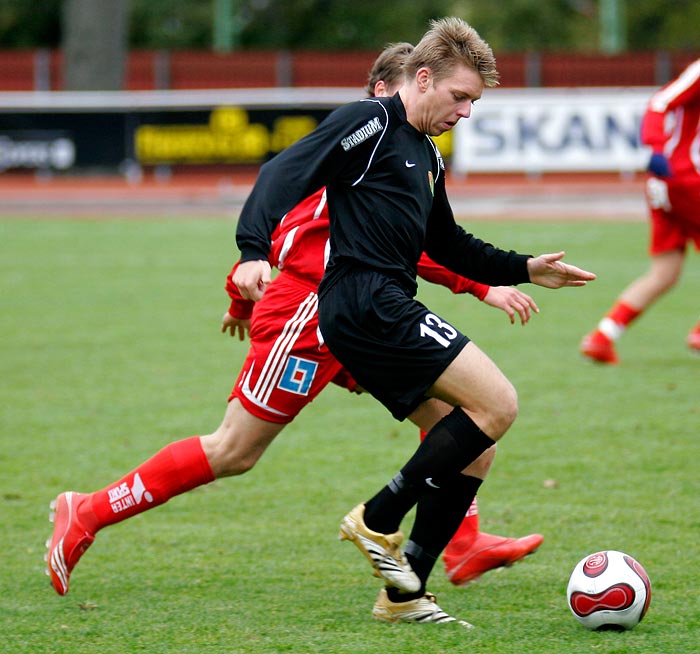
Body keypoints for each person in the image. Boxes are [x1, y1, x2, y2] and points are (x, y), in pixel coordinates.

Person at [45, 42, 541, 605]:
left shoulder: (404, 152)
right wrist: (482, 287)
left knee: (465, 424)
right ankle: (85, 509)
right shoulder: (356, 152)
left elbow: (413, 242)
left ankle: (460, 544)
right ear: (388, 90)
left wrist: (239, 300)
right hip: (307, 316)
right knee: (235, 450)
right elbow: (304, 237)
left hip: (354, 316)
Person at [233, 17, 595, 626]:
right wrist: (251, 251)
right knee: (498, 403)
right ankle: (377, 518)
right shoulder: (368, 123)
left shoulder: (426, 153)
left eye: (474, 102)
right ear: (422, 78)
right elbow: (281, 174)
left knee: (474, 448)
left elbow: (448, 243)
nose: (466, 113)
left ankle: (404, 595)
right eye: (460, 97)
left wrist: (527, 268)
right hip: (364, 302)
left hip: (377, 307)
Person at [581, 58, 700, 364]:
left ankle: (603, 336)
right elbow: (660, 102)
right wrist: (656, 147)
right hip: (687, 178)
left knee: (665, 272)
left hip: (668, 181)